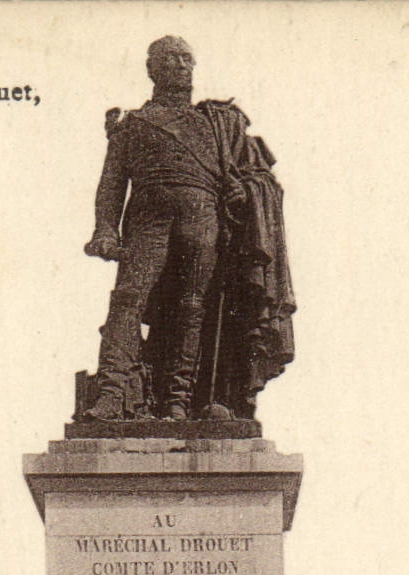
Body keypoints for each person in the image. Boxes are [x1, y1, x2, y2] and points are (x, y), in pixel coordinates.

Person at [82, 36, 295, 423]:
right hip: (148, 218)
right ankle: (112, 392)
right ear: (152, 69)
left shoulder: (214, 124)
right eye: (171, 59)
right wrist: (106, 230)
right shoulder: (132, 125)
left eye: (186, 59)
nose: (182, 65)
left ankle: (178, 400)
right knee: (128, 299)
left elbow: (252, 177)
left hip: (202, 219)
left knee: (193, 307)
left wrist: (241, 191)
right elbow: (111, 184)